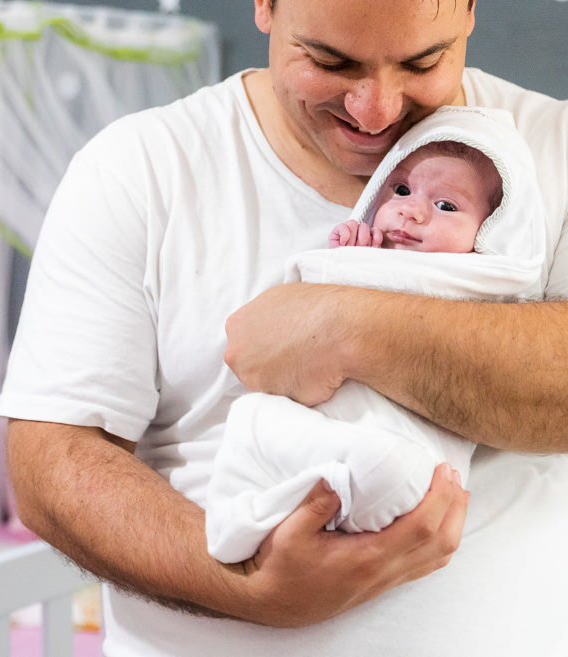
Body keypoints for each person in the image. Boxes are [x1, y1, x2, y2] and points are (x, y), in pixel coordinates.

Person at [0, 0, 568, 654]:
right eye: (331, 61)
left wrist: (342, 326)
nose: (375, 109)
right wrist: (246, 584)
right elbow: (51, 460)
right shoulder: (139, 169)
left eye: (422, 61)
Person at [205, 106, 544, 564]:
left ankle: (297, 507)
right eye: (400, 189)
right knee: (254, 416)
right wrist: (349, 262)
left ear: (491, 233)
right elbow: (294, 321)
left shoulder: (480, 290)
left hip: (404, 461)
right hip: (325, 430)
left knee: (392, 470)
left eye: (446, 206)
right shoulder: (365, 253)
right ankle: (248, 518)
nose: (411, 211)